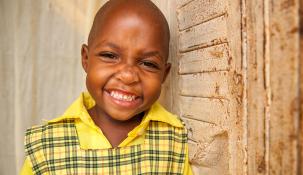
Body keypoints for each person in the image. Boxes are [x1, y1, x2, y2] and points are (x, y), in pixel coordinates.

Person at [20, 0, 192, 174]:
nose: (128, 76)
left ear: (164, 74)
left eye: (148, 63)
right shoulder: (46, 149)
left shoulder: (177, 142)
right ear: (86, 59)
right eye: (110, 55)